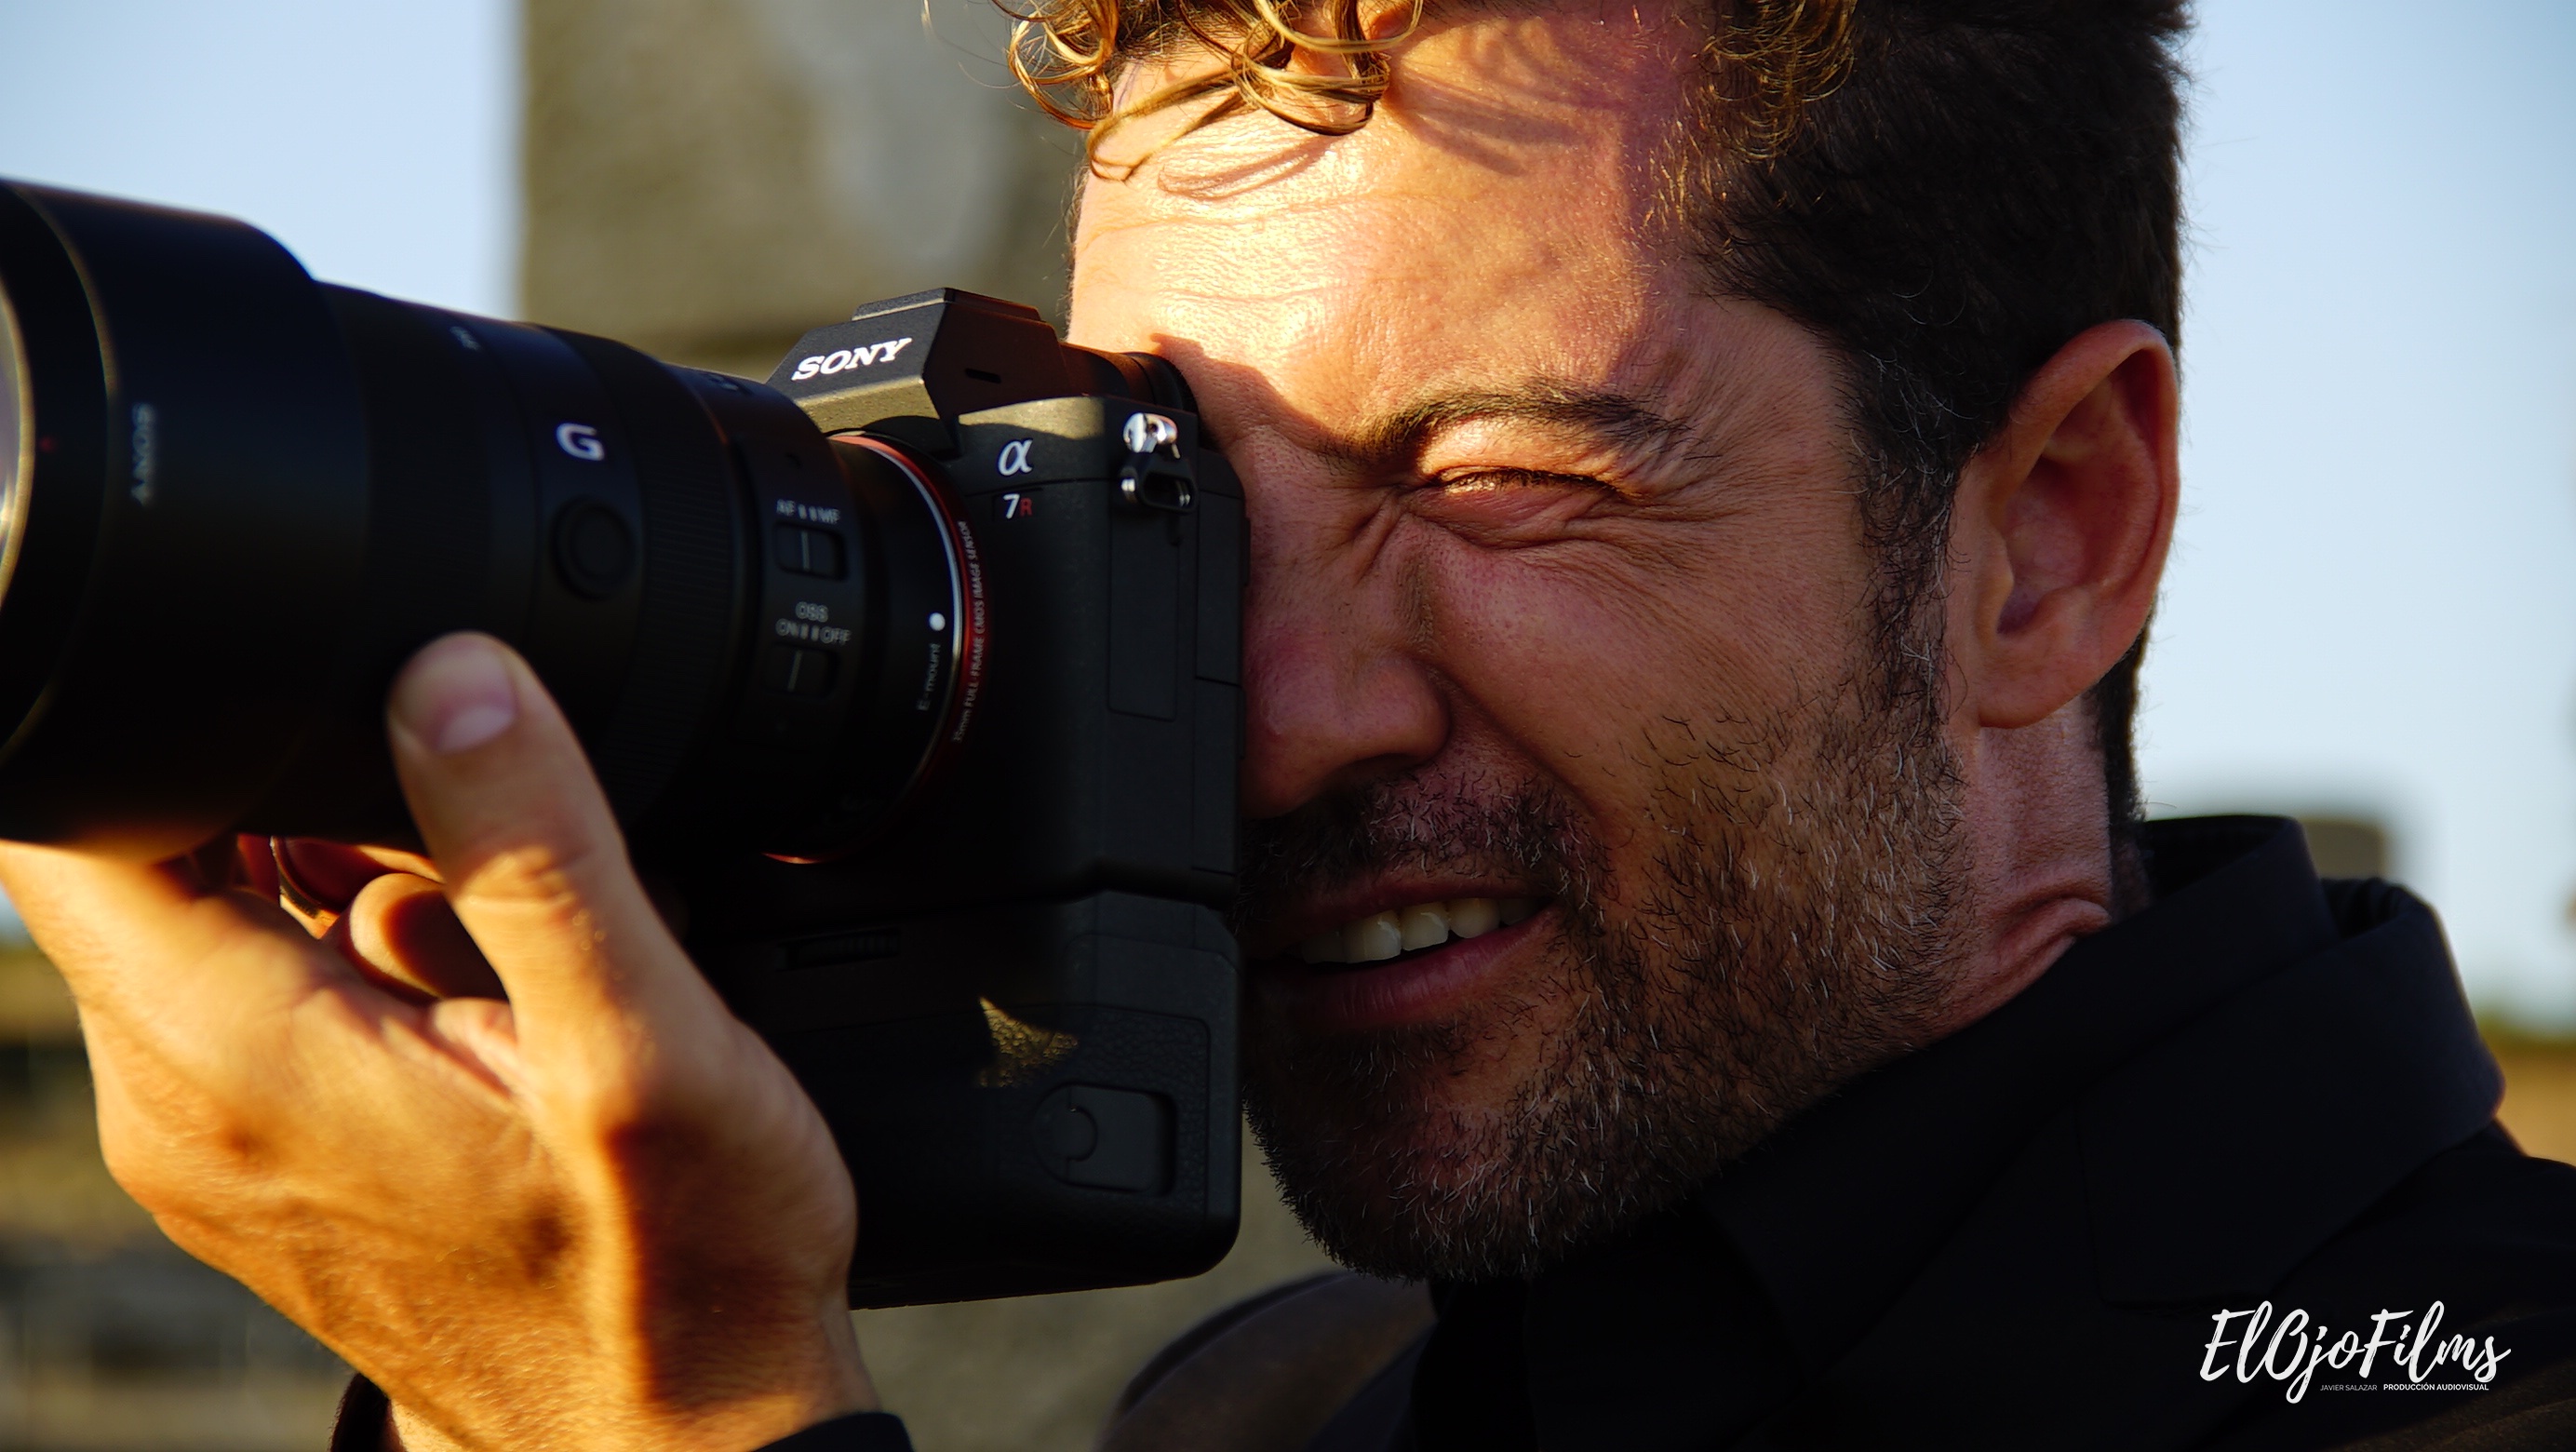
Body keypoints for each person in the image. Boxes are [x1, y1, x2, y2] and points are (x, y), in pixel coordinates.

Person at [7, 1, 2576, 1448]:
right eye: (1182, 518)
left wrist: (659, 1421)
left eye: (1494, 480)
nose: (1270, 723)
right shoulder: (1273, 1413)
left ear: (2051, 533)